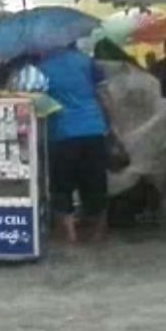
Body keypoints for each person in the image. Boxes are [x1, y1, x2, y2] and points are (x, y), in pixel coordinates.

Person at [38, 46, 114, 243]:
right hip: (93, 129)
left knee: (61, 187)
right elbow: (105, 97)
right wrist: (111, 125)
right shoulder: (90, 63)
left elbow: (38, 102)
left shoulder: (42, 68)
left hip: (61, 133)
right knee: (96, 185)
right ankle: (98, 235)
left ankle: (69, 235)